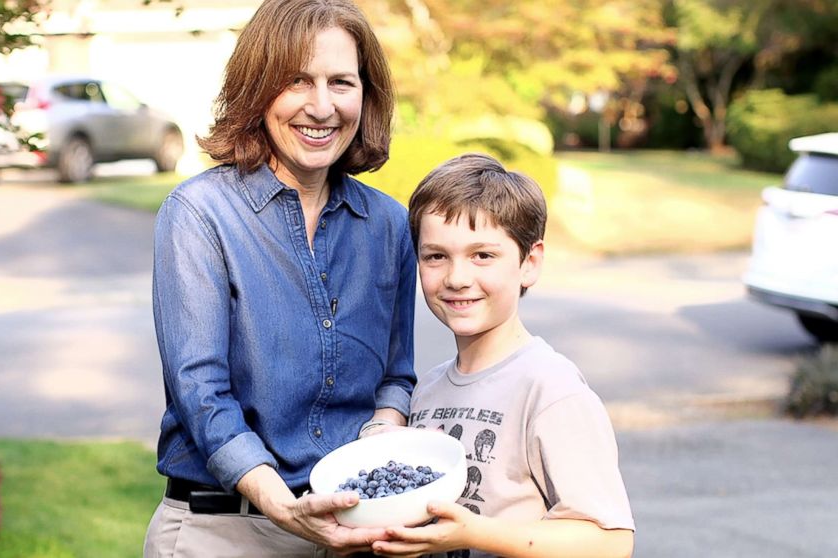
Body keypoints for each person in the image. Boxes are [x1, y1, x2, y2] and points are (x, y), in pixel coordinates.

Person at [142, 0, 416, 557]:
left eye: (341, 82)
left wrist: (383, 435)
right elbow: (201, 395)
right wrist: (286, 509)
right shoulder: (199, 215)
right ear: (258, 89)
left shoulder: (388, 224)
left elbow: (395, 374)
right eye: (297, 81)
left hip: (355, 529)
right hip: (225, 531)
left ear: (367, 94)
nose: (321, 107)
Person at [370, 153, 634, 558]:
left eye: (483, 255)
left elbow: (611, 541)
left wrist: (475, 533)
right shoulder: (427, 391)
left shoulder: (551, 388)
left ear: (529, 263)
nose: (457, 278)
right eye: (436, 256)